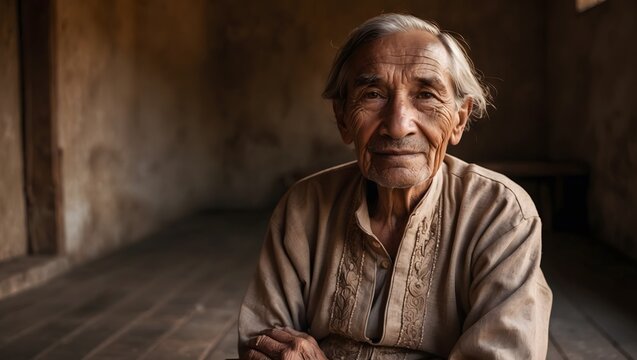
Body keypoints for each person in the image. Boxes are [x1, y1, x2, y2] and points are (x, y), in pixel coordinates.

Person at [238, 13, 552, 360]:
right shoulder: (305, 206)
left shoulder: (501, 213)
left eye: (426, 95)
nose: (398, 125)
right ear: (343, 118)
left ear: (460, 119)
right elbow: (264, 342)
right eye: (373, 94)